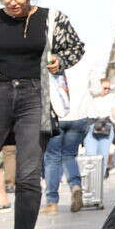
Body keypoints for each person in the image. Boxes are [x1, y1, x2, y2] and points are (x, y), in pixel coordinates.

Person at [0, 0, 84, 229]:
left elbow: (77, 47)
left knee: (27, 174)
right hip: (0, 91)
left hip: (35, 97)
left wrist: (60, 60)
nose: (12, 2)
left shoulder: (51, 18)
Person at [41, 70, 84, 214]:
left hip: (57, 117)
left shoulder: (52, 66)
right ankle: (76, 186)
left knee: (52, 158)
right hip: (79, 116)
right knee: (69, 155)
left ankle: (52, 202)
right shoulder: (81, 64)